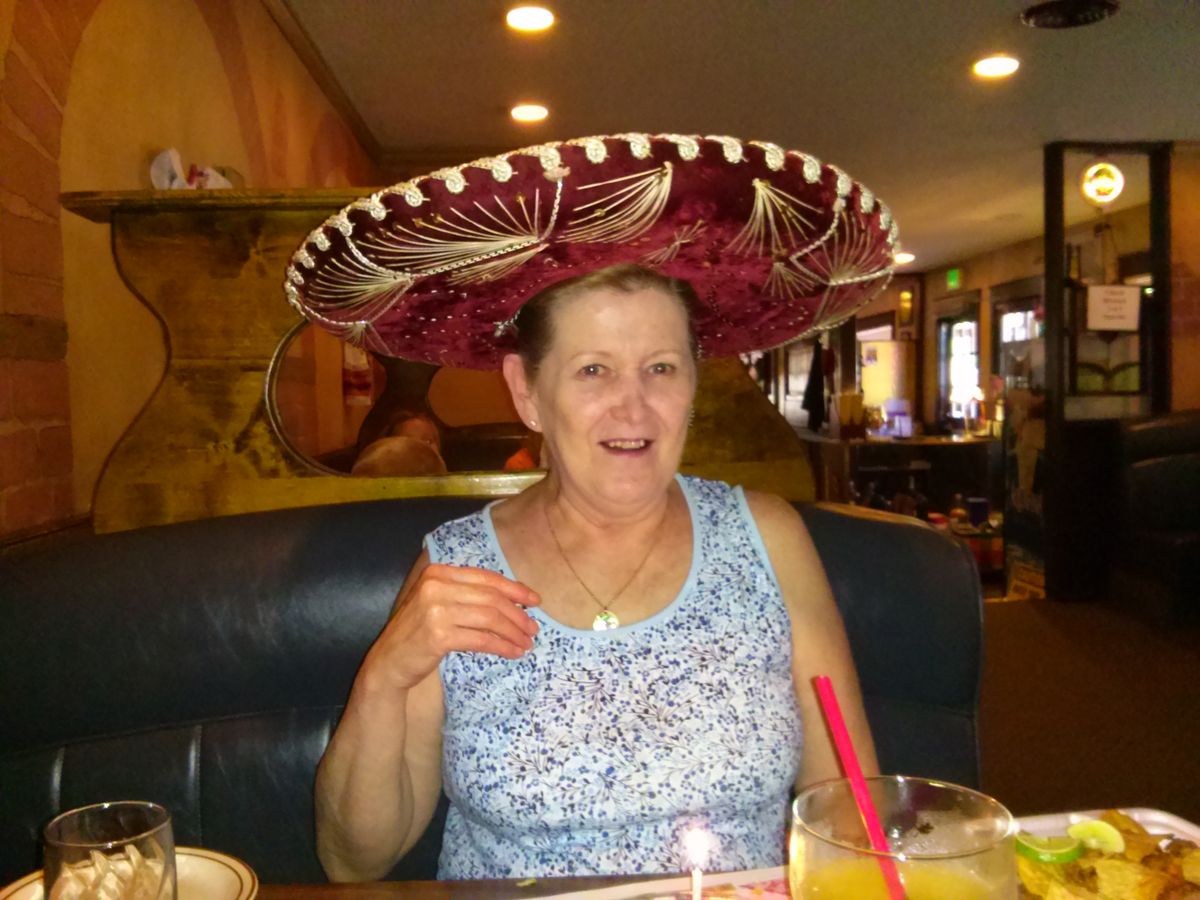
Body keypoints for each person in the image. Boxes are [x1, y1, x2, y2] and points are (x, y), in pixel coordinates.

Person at [286, 134, 896, 881]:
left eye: (661, 368)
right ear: (527, 392)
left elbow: (851, 812)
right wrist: (385, 673)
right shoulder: (458, 567)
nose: (632, 406)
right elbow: (351, 862)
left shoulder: (768, 538)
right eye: (593, 370)